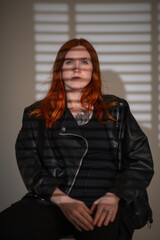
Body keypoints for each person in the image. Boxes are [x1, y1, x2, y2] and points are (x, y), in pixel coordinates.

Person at [0, 38, 154, 240]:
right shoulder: (36, 114)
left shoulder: (117, 109)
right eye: (69, 62)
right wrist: (63, 201)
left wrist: (114, 196)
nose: (76, 68)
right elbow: (30, 167)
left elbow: (141, 162)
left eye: (84, 61)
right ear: (59, 70)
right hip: (55, 202)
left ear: (93, 70)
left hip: (105, 202)